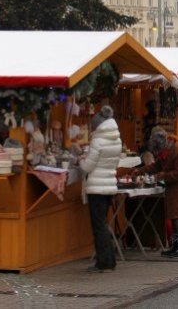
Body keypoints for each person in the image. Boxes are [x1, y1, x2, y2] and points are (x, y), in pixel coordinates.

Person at [134, 128, 178, 256]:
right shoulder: (167, 151)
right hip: (173, 188)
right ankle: (175, 246)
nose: (157, 153)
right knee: (173, 216)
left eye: (157, 151)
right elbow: (156, 165)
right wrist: (140, 171)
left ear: (162, 145)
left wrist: (162, 176)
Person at [79, 105, 122, 273]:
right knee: (103, 223)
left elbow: (88, 166)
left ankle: (104, 261)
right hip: (109, 184)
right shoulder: (116, 139)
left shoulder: (98, 141)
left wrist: (81, 160)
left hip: (96, 187)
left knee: (99, 226)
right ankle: (109, 259)